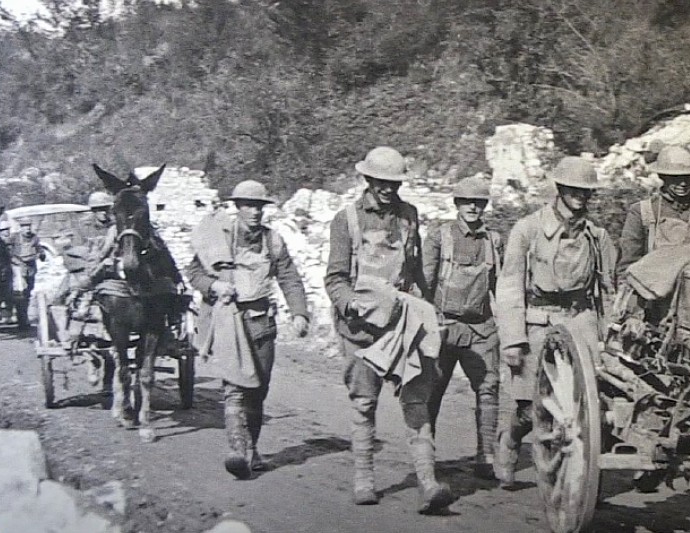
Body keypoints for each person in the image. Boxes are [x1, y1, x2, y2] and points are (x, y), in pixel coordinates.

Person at [324, 146, 455, 513]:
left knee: (417, 401)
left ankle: (428, 483)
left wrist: (427, 309)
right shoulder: (346, 220)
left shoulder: (409, 216)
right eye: (381, 182)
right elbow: (334, 278)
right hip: (360, 330)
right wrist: (351, 302)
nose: (387, 189)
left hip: (400, 324)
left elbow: (414, 271)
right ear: (368, 180)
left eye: (394, 183)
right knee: (364, 403)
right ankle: (364, 478)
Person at [494, 156, 616, 489]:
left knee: (590, 403)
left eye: (586, 191)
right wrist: (513, 340)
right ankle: (509, 441)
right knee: (531, 407)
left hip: (580, 320)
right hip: (538, 322)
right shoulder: (528, 229)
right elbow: (509, 286)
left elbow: (608, 289)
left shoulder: (597, 236)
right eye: (574, 189)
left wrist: (610, 338)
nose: (580, 196)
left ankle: (583, 475)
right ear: (560, 188)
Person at [186, 179, 310, 481]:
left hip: (262, 324)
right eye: (248, 206)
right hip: (230, 321)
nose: (254, 212)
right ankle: (238, 451)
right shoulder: (219, 239)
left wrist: (299, 314)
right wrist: (214, 285)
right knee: (234, 390)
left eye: (259, 206)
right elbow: (194, 272)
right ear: (237, 207)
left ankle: (252, 449)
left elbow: (290, 279)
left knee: (258, 390)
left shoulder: (273, 241)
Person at [422, 177, 502, 479]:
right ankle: (425, 456)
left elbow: (501, 288)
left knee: (489, 389)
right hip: (443, 325)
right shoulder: (439, 237)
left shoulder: (494, 242)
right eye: (467, 201)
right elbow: (424, 285)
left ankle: (486, 456)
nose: (473, 207)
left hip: (481, 328)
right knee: (432, 391)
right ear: (456, 204)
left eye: (479, 202)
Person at [618, 145, 690, 275]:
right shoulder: (642, 212)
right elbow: (628, 264)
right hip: (654, 289)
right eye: (676, 178)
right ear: (663, 176)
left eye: (687, 177)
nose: (683, 183)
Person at [9, 217, 45, 330]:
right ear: (21, 227)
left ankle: (24, 318)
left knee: (28, 293)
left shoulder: (34, 237)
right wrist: (13, 259)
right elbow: (7, 250)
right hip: (18, 267)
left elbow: (40, 250)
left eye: (29, 226)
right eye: (25, 226)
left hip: (31, 268)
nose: (27, 229)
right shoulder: (14, 237)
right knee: (21, 293)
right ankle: (22, 320)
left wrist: (41, 255)